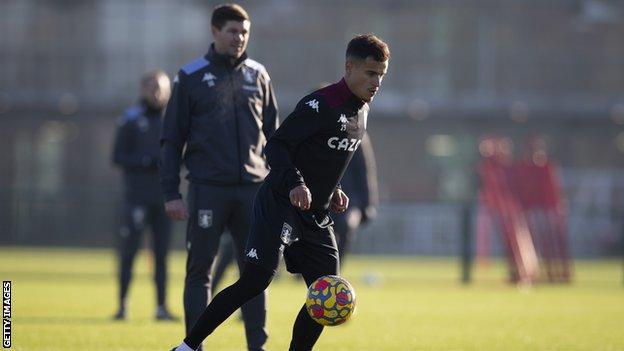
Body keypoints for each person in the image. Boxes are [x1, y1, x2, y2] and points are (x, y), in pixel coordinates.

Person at [170, 33, 390, 351]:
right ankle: (188, 346)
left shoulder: (362, 111)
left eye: (381, 75)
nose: (376, 82)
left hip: (317, 214)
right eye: (371, 73)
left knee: (326, 290)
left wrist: (335, 188)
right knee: (255, 280)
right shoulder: (320, 104)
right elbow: (277, 147)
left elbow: (322, 156)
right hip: (280, 203)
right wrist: (296, 184)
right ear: (349, 67)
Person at [159, 4, 279, 351]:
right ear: (215, 31)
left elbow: (275, 136)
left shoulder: (259, 74)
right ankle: (194, 346)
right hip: (208, 189)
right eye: (232, 31)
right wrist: (171, 192)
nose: (239, 38)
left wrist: (282, 186)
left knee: (255, 274)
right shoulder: (190, 76)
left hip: (254, 193)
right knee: (200, 272)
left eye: (244, 32)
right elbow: (171, 141)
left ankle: (258, 346)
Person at [111, 70, 177, 321]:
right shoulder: (130, 119)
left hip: (165, 199)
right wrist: (146, 160)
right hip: (136, 198)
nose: (157, 93)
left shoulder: (173, 120)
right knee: (129, 252)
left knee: (162, 256)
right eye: (153, 88)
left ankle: (161, 308)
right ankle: (122, 306)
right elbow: (117, 157)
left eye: (162, 88)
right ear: (143, 89)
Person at [332, 133, 378, 266]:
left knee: (346, 227)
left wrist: (367, 204)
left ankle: (335, 270)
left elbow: (365, 169)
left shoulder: (359, 134)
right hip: (326, 193)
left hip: (351, 199)